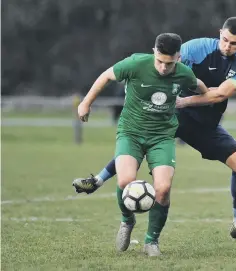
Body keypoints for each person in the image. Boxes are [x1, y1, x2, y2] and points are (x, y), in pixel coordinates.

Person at [73, 17, 236, 247]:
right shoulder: (198, 48)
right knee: (139, 141)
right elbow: (166, 66)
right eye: (224, 40)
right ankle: (97, 180)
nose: (227, 46)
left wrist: (184, 102)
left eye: (234, 43)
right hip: (172, 115)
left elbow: (219, 95)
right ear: (220, 33)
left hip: (204, 123)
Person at [76, 32, 209, 257]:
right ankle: (127, 221)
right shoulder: (136, 64)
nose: (163, 68)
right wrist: (86, 103)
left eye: (169, 63)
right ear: (154, 52)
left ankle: (151, 241)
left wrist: (195, 102)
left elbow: (201, 88)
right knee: (125, 180)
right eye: (159, 61)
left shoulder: (184, 74)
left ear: (178, 57)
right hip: (131, 132)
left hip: (162, 136)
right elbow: (106, 76)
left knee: (163, 189)